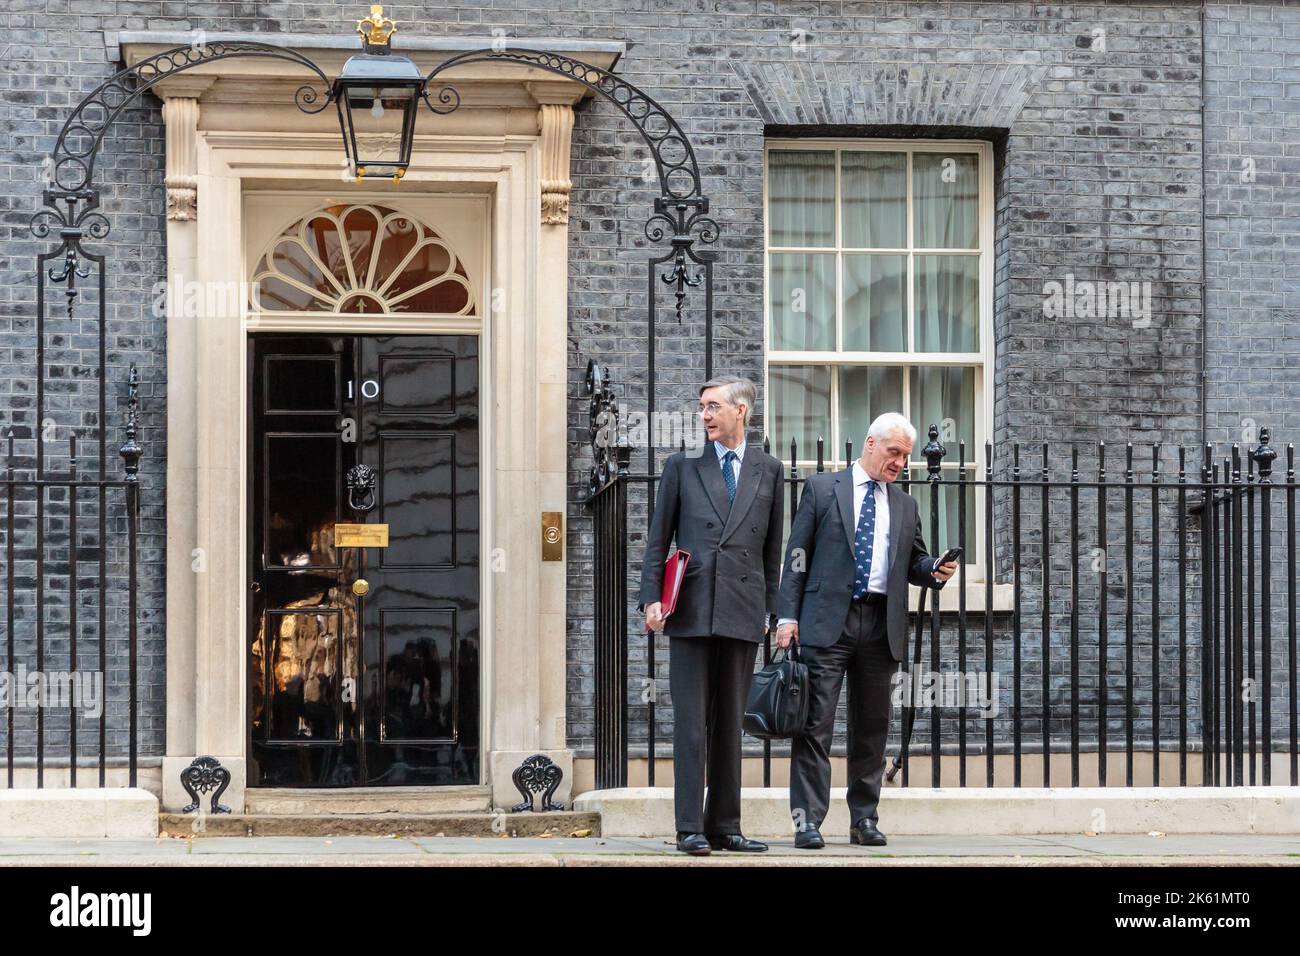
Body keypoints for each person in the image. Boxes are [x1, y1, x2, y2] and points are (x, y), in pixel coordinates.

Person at [776, 412, 957, 848]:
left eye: (907, 456)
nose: (900, 463)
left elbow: (914, 561)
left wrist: (935, 569)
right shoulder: (822, 490)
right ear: (871, 444)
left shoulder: (904, 504)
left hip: (881, 625)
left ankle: (864, 819)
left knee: (873, 728)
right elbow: (796, 555)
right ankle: (808, 823)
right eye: (894, 453)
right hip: (826, 622)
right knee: (814, 725)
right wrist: (787, 617)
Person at [639, 376, 785, 855]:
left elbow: (771, 552)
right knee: (691, 723)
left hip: (743, 610)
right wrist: (651, 599)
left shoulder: (770, 469)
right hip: (693, 609)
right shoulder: (682, 467)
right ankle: (689, 827)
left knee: (729, 725)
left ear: (740, 411)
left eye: (713, 407)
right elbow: (658, 539)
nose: (704, 415)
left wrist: (772, 611)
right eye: (702, 407)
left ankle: (725, 825)